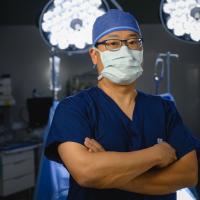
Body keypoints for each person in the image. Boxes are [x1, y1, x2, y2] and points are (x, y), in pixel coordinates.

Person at [45, 9, 199, 200]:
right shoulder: (74, 109)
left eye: (133, 42)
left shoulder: (163, 108)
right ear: (95, 55)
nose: (125, 50)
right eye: (113, 43)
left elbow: (189, 174)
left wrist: (110, 173)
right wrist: (157, 154)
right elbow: (86, 172)